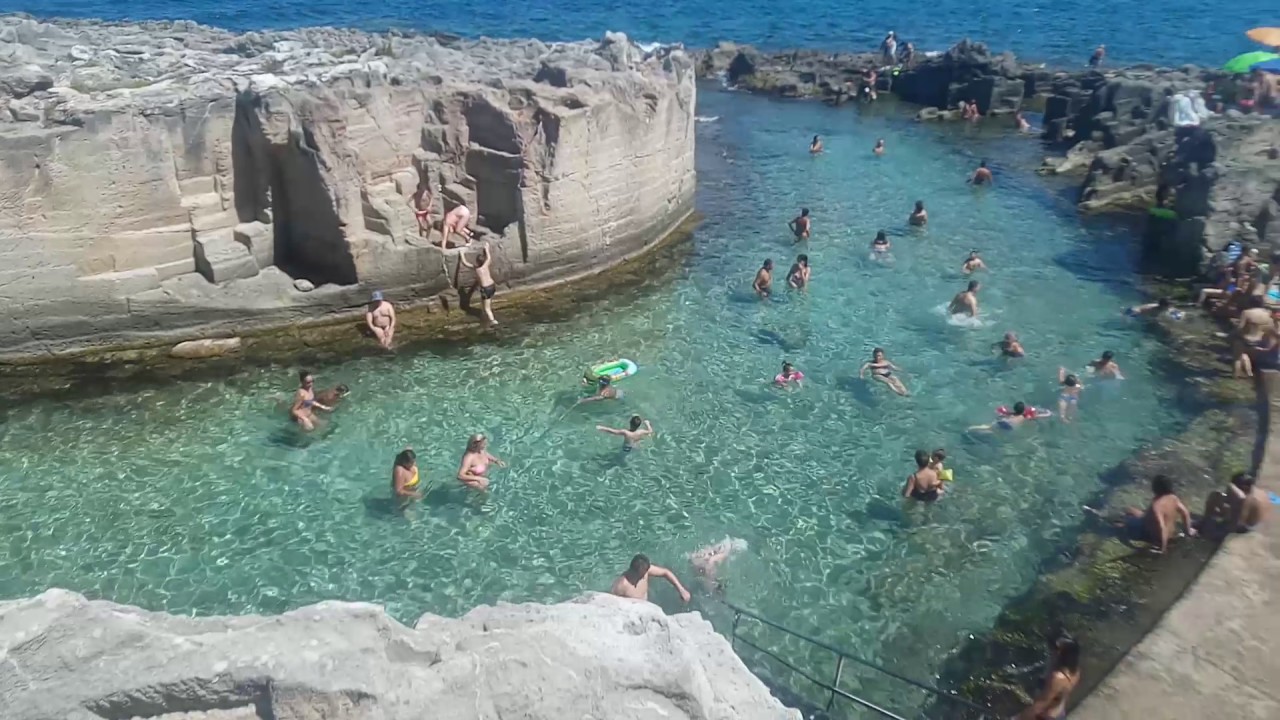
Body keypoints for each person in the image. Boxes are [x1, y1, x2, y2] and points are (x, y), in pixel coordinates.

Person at [1087, 475, 1197, 554]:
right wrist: (1188, 531)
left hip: (1148, 534)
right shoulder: (1173, 498)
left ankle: (1098, 515)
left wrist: (1162, 548)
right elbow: (1185, 513)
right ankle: (1103, 514)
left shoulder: (1156, 506)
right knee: (1131, 510)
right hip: (1159, 528)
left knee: (1118, 526)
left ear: (1155, 489)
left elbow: (1161, 526)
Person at [1017, 637, 1081, 720]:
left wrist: (1018, 718)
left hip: (1046, 716)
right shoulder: (1076, 671)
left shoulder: (1057, 677)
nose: (1052, 650)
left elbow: (1040, 705)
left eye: (1056, 648)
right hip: (1059, 713)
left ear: (1062, 654)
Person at [1200, 471, 1270, 536]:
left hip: (1242, 530)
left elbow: (1236, 524)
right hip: (1258, 527)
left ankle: (1204, 523)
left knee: (1215, 496)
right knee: (1217, 497)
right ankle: (1207, 521)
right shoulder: (1262, 493)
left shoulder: (1241, 496)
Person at [610, 553, 691, 603]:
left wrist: (681, 589)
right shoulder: (621, 585)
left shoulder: (645, 571)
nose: (644, 576)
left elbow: (665, 572)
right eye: (642, 575)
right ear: (633, 571)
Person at [459, 242, 499, 326]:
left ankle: (493, 321)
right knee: (485, 302)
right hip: (492, 286)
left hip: (486, 289)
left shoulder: (477, 269)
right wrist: (486, 248)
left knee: (487, 308)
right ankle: (484, 316)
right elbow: (488, 257)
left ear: (477, 262)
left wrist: (462, 254)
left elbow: (465, 263)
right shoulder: (486, 265)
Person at [968, 401, 1043, 432]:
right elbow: (1037, 416)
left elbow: (1004, 413)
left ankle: (972, 428)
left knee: (989, 427)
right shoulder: (1025, 416)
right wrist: (1048, 414)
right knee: (993, 431)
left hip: (1005, 422)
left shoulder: (1012, 413)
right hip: (1010, 427)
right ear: (1023, 410)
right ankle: (974, 429)